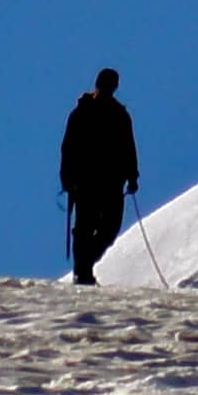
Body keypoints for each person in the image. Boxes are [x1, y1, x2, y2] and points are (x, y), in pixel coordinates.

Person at [59, 68, 138, 286]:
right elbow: (68, 148)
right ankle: (83, 272)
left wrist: (132, 176)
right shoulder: (82, 112)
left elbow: (128, 148)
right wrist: (67, 179)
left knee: (109, 229)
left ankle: (84, 266)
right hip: (86, 181)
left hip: (112, 182)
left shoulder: (120, 115)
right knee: (85, 227)